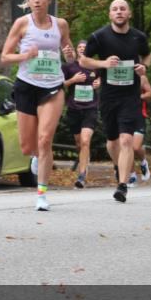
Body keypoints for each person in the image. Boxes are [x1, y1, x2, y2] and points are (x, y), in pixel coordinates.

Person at [0, 0, 74, 211]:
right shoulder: (22, 23)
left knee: (45, 140)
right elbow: (5, 56)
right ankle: (36, 156)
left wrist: (69, 54)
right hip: (26, 86)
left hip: (52, 87)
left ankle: (41, 194)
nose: (37, 1)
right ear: (28, 1)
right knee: (27, 146)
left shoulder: (60, 24)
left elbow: (70, 55)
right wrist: (25, 56)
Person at [79, 0, 151, 203]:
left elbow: (147, 56)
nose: (119, 12)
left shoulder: (138, 37)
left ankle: (122, 186)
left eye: (123, 9)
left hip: (131, 96)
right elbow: (84, 60)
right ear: (110, 14)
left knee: (126, 140)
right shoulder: (99, 36)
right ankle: (120, 167)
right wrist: (103, 63)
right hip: (109, 97)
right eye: (115, 9)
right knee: (112, 142)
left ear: (129, 13)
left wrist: (144, 67)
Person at [62, 40, 100, 189]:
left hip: (90, 109)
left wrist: (99, 82)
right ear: (76, 50)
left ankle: (82, 175)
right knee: (79, 144)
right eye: (80, 47)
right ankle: (84, 160)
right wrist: (73, 80)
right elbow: (60, 84)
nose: (82, 49)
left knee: (85, 141)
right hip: (74, 109)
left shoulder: (95, 66)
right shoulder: (69, 66)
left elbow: (104, 77)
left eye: (85, 47)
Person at [129, 73, 151, 187]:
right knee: (127, 147)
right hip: (123, 115)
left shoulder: (142, 78)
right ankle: (132, 175)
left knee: (135, 147)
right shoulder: (120, 77)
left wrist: (139, 96)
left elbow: (150, 93)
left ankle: (143, 162)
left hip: (139, 115)